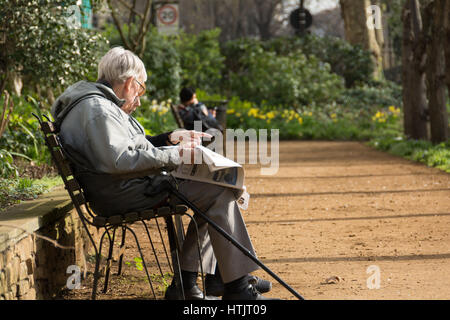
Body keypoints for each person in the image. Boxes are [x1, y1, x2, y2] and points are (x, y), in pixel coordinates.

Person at [51, 46, 273, 300]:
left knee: (213, 186)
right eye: (141, 88)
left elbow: (128, 148)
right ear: (130, 83)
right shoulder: (98, 109)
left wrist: (168, 139)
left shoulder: (96, 104)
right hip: (125, 191)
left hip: (127, 185)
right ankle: (233, 288)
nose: (140, 96)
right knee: (218, 191)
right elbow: (119, 160)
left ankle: (194, 284)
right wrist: (176, 155)